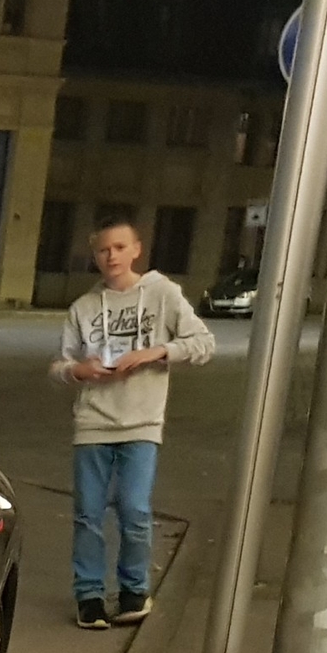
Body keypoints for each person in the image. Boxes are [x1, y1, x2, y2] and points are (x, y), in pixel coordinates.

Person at [48, 219, 214, 628]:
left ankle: (133, 591)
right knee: (88, 513)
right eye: (104, 250)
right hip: (92, 423)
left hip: (142, 423)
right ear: (95, 256)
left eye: (120, 248)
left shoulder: (162, 294)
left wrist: (155, 352)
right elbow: (58, 365)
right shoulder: (83, 308)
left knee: (134, 509)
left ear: (136, 250)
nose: (112, 256)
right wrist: (78, 370)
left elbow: (203, 343)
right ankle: (89, 596)